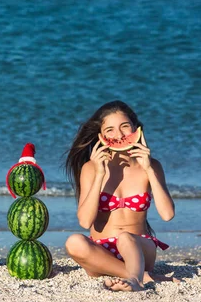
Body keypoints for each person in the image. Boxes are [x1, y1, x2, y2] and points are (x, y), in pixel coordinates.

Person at [64, 100, 177, 292]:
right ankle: (138, 277)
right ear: (101, 136)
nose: (118, 135)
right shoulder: (91, 169)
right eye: (110, 130)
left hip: (140, 248)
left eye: (125, 127)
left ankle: (135, 278)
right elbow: (85, 221)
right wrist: (100, 174)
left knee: (125, 237)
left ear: (136, 129)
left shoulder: (152, 165)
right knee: (74, 242)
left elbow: (167, 215)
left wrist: (149, 169)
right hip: (100, 253)